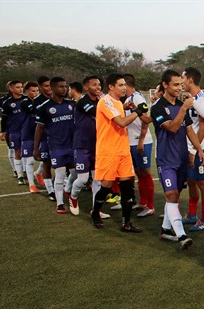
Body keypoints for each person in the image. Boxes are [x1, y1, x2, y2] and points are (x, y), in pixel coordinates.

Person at [90, 73, 152, 232]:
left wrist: (128, 108)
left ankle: (126, 223)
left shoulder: (118, 102)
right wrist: (137, 111)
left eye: (125, 85)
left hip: (123, 151)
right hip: (108, 151)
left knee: (128, 187)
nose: (124, 88)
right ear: (111, 87)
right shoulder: (105, 102)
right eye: (120, 85)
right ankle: (95, 213)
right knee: (106, 186)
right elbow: (121, 122)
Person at [151, 69, 204, 247]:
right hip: (166, 160)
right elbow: (173, 127)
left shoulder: (181, 105)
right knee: (171, 194)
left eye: (180, 84)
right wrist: (183, 108)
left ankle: (166, 230)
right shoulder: (158, 107)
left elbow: (189, 129)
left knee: (174, 195)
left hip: (182, 158)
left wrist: (198, 150)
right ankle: (181, 235)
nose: (179, 88)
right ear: (165, 85)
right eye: (175, 85)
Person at [34, 77, 76, 213]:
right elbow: (39, 129)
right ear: (52, 88)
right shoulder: (44, 107)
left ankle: (67, 189)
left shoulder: (71, 104)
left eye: (65, 86)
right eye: (60, 87)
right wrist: (36, 149)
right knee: (60, 174)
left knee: (76, 173)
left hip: (73, 145)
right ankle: (60, 204)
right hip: (56, 146)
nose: (64, 89)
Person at [180, 67, 204, 231]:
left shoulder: (201, 99)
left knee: (203, 184)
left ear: (190, 80)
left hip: (202, 149)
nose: (181, 81)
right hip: (188, 148)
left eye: (183, 78)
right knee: (191, 182)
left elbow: (203, 128)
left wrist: (194, 150)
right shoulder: (189, 98)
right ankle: (192, 214)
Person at [68, 76, 103, 217]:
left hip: (98, 145)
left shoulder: (101, 101)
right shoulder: (82, 101)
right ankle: (73, 197)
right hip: (82, 144)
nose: (98, 87)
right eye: (94, 85)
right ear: (86, 87)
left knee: (97, 179)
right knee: (82, 179)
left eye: (99, 85)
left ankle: (96, 210)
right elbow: (95, 113)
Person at [121, 73, 155, 218]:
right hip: (131, 141)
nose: (121, 88)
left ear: (127, 85)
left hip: (141, 141)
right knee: (139, 173)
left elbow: (146, 120)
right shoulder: (128, 99)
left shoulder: (137, 97)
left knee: (145, 172)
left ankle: (151, 206)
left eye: (122, 85)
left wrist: (141, 140)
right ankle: (143, 201)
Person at [0, 80, 26, 185]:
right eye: (18, 87)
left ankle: (29, 172)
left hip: (27, 131)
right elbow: (4, 119)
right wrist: (3, 131)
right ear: (11, 89)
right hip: (14, 131)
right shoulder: (7, 103)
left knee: (29, 154)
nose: (21, 89)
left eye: (21, 87)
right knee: (18, 153)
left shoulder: (27, 100)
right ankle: (20, 175)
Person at [33, 76, 55, 200]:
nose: (49, 88)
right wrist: (36, 147)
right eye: (46, 86)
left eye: (50, 85)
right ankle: (50, 190)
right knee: (47, 163)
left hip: (61, 138)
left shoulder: (62, 99)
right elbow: (39, 125)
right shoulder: (38, 102)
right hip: (46, 137)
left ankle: (63, 185)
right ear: (40, 87)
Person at [19, 81, 41, 193]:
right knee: (30, 161)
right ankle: (32, 184)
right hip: (28, 135)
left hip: (40, 134)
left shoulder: (40, 102)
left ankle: (38, 173)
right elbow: (34, 109)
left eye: (37, 91)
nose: (36, 93)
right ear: (27, 92)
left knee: (47, 158)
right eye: (33, 91)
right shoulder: (24, 102)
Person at [0, 82, 16, 178]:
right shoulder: (3, 100)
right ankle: (15, 170)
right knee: (11, 149)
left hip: (21, 127)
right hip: (9, 127)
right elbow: (2, 115)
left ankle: (23, 170)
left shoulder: (24, 99)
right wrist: (3, 130)